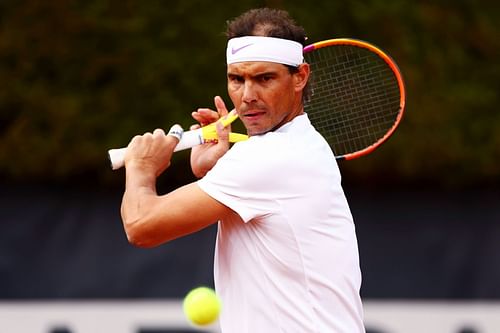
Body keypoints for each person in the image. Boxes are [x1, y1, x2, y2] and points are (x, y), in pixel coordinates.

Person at [120, 8, 365, 332]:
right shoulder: (296, 145)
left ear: (300, 77)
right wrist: (213, 170)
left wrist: (140, 167)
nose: (247, 96)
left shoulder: (271, 156)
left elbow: (142, 226)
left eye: (264, 78)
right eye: (237, 79)